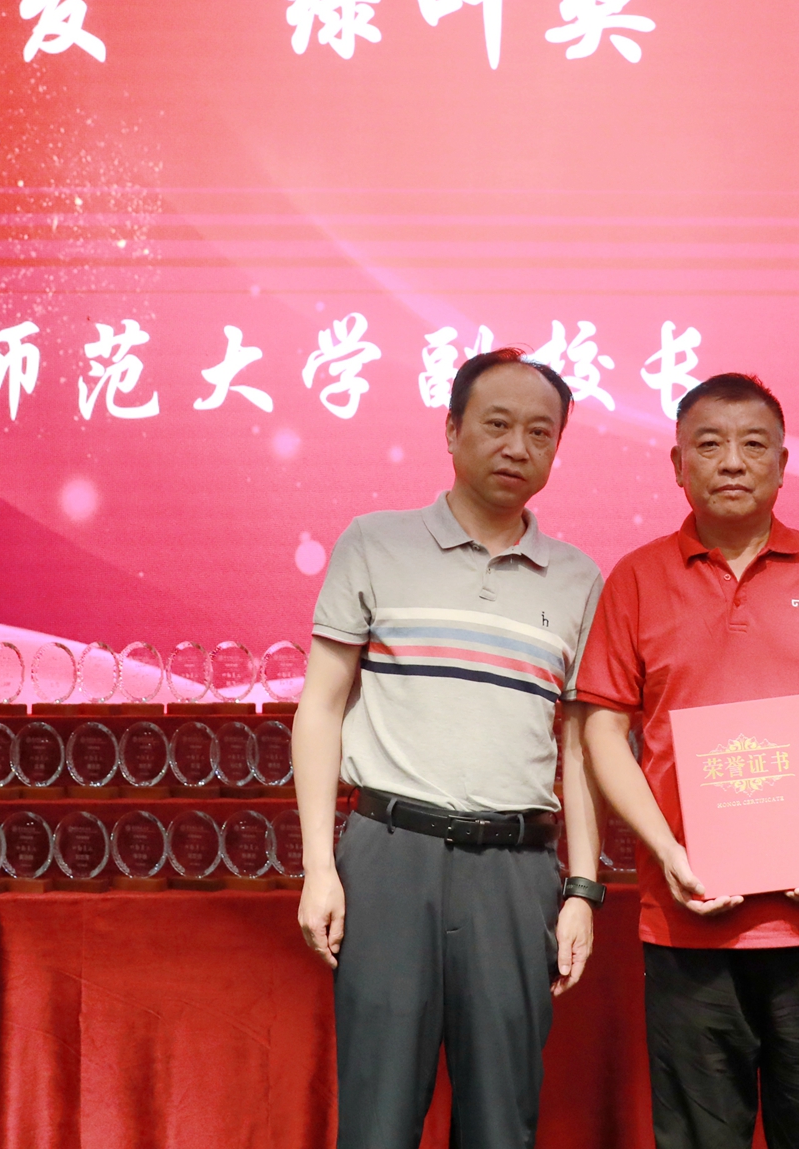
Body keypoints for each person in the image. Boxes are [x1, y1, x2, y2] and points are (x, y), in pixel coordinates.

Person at [574, 372, 799, 1149]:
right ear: (677, 464)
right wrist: (665, 849)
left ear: (783, 463)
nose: (732, 460)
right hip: (687, 925)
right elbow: (602, 729)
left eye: (753, 443)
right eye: (709, 444)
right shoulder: (636, 579)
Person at [292, 348, 608, 1149]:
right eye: (497, 424)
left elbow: (579, 746)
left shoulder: (578, 580)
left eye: (540, 432)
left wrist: (581, 887)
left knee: (503, 1121)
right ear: (452, 430)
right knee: (377, 1118)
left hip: (516, 871)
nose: (517, 447)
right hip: (390, 855)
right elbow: (320, 708)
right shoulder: (375, 543)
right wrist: (320, 868)